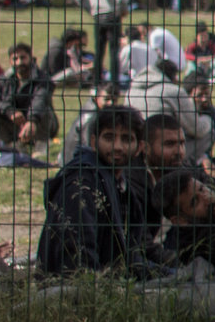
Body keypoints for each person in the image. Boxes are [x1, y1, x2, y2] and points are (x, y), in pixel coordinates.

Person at [36, 107, 163, 277]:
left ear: (139, 147)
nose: (118, 147)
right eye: (109, 137)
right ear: (94, 142)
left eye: (126, 139)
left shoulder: (122, 187)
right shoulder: (82, 184)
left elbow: (135, 252)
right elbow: (79, 259)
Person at [0, 42, 57, 152]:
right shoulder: (4, 80)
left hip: (37, 123)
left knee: (45, 109)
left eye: (23, 58)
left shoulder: (43, 79)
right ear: (10, 61)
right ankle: (13, 144)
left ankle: (40, 145)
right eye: (15, 58)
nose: (19, 62)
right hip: (14, 123)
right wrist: (10, 111)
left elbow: (40, 100)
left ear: (31, 58)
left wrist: (32, 120)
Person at [78, 0, 130, 78]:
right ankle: (114, 81)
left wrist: (90, 9)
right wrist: (122, 11)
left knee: (99, 50)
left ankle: (97, 80)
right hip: (112, 16)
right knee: (113, 50)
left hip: (98, 17)